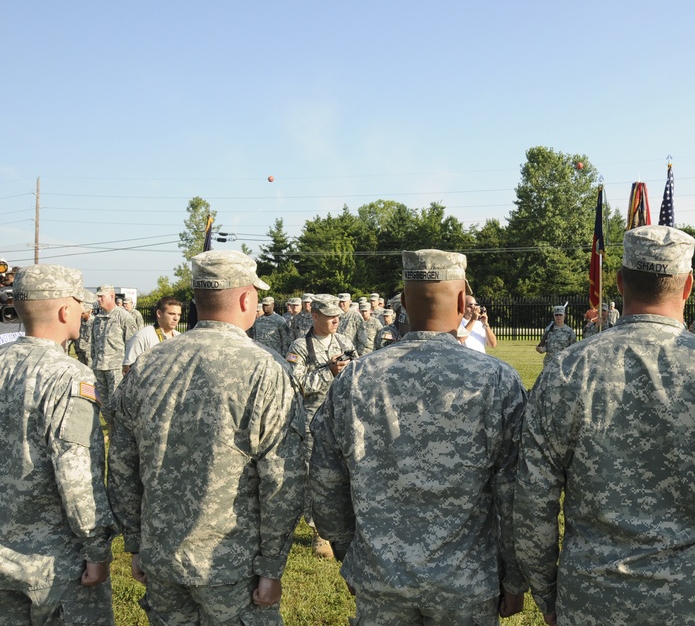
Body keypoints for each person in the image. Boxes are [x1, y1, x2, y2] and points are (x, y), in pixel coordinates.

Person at [515, 225, 695, 626]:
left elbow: (532, 498)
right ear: (689, 285)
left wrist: (546, 592)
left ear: (621, 281)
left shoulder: (566, 372)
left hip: (593, 598)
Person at [310, 249, 528, 625]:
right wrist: (514, 577)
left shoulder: (356, 379)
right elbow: (515, 492)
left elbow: (326, 480)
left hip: (381, 578)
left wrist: (351, 555)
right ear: (463, 301)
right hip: (467, 583)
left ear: (405, 303)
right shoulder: (497, 381)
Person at [107, 251, 305, 625]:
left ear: (196, 300)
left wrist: (135, 541)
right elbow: (283, 479)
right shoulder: (264, 368)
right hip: (231, 565)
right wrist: (272, 565)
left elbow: (119, 463)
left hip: (162, 556)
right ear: (247, 298)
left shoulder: (149, 363)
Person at [0, 265, 116, 625]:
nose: (84, 312)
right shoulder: (68, 376)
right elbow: (76, 472)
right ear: (65, 310)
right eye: (80, 304)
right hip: (57, 566)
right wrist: (97, 549)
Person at [284, 293, 354, 559]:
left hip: (343, 418)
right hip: (314, 421)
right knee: (316, 474)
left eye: (338, 315)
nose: (336, 320)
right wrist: (329, 372)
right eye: (329, 316)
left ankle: (345, 526)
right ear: (315, 316)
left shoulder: (344, 342)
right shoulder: (300, 347)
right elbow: (295, 385)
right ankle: (319, 533)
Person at [90, 284, 139, 404]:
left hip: (116, 368)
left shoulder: (123, 317)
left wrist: (128, 366)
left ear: (112, 296)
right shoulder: (98, 319)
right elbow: (93, 344)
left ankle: (116, 423)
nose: (99, 299)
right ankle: (108, 423)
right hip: (99, 367)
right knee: (102, 403)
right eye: (98, 297)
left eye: (102, 296)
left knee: (117, 402)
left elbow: (132, 344)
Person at [122, 296, 182, 373]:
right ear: (159, 313)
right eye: (171, 314)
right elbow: (128, 369)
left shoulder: (180, 337)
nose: (176, 318)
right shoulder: (142, 337)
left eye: (179, 314)